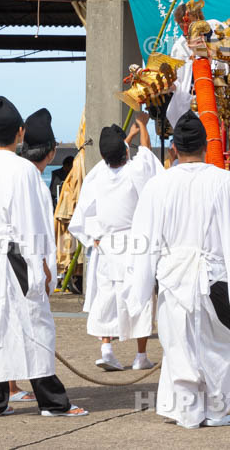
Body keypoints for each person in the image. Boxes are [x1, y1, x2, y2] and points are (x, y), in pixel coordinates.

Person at [0, 97, 87, 418]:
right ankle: (52, 402)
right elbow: (34, 223)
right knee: (34, 325)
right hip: (16, 257)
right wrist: (44, 264)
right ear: (20, 133)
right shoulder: (25, 171)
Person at [126, 111, 230, 429]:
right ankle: (217, 410)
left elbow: (143, 242)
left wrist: (139, 288)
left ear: (174, 148)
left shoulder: (158, 185)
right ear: (206, 146)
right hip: (218, 278)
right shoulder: (227, 182)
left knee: (179, 346)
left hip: (175, 278)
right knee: (220, 345)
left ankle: (186, 410)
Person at [68, 113, 160, 372]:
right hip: (133, 243)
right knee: (140, 295)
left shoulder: (98, 174)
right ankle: (140, 355)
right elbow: (147, 155)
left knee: (106, 296)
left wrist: (126, 136)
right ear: (125, 152)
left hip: (107, 245)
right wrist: (142, 125)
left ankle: (106, 349)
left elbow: (84, 211)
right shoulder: (134, 171)